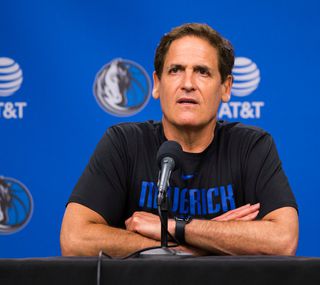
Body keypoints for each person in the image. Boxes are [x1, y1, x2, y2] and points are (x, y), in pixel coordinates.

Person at [60, 23, 299, 256]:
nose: (187, 84)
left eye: (202, 72)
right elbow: (74, 239)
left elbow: (283, 240)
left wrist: (174, 227)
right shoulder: (124, 143)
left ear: (226, 87)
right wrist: (193, 246)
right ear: (156, 84)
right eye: (175, 70)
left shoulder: (251, 146)